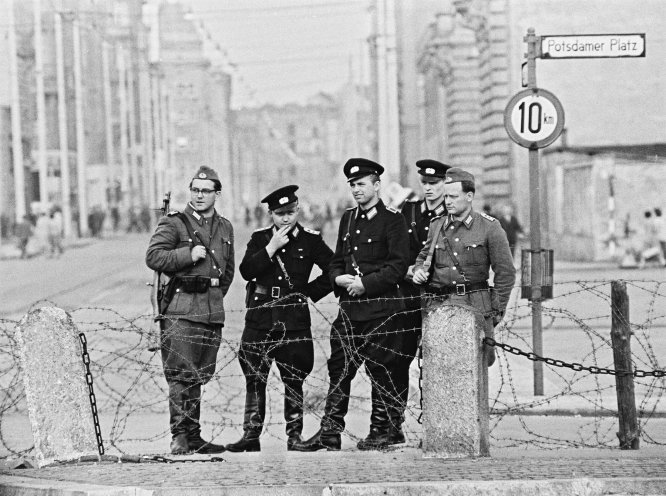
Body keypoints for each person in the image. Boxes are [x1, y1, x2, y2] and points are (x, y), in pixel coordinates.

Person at [293, 158, 409, 452]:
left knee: (381, 372)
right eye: (353, 185)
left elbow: (397, 267)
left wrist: (365, 284)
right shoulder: (348, 218)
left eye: (361, 184)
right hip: (350, 312)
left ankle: (383, 430)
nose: (356, 190)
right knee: (339, 370)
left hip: (381, 311)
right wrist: (337, 277)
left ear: (376, 185)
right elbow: (337, 259)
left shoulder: (393, 220)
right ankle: (330, 432)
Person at [226, 185, 334, 453]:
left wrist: (308, 292)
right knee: (254, 376)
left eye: (289, 212)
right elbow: (246, 270)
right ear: (270, 214)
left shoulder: (310, 240)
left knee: (294, 377)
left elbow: (333, 268)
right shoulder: (260, 238)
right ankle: (251, 436)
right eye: (278, 213)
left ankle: (294, 436)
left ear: (297, 210)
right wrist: (270, 248)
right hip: (261, 316)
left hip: (293, 317)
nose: (285, 218)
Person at [145, 165, 235, 455]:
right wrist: (187, 255)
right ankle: (180, 435)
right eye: (195, 190)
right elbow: (154, 256)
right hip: (181, 309)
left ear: (216, 194)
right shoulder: (176, 223)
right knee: (180, 374)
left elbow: (228, 271)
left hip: (210, 310)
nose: (199, 195)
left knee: (199, 375)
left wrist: (213, 296)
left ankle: (194, 435)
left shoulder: (225, 227)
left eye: (206, 191)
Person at [412, 167, 516, 367]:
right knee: (438, 367)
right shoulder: (436, 226)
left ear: (469, 196)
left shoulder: (489, 227)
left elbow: (506, 272)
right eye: (446, 197)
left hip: (474, 306)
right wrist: (418, 271)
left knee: (474, 366)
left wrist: (495, 310)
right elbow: (424, 256)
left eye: (453, 196)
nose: (447, 202)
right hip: (438, 307)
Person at [393, 159, 450, 444]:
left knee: (435, 364)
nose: (429, 189)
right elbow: (396, 253)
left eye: (435, 183)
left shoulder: (451, 215)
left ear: (445, 184)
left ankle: (435, 427)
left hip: (437, 299)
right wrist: (407, 271)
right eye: (425, 184)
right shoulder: (409, 211)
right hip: (407, 297)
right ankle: (393, 425)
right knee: (398, 361)